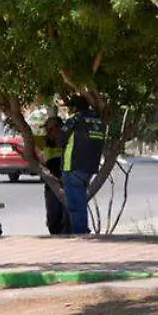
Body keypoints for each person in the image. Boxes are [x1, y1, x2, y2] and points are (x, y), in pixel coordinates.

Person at [60, 96, 104, 235]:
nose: (68, 110)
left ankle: (81, 234)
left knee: (75, 205)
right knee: (80, 202)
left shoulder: (75, 120)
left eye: (69, 107)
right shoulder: (98, 119)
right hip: (89, 168)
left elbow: (61, 139)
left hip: (72, 167)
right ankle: (81, 231)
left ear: (75, 108)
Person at [39, 114, 68, 235]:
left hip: (66, 183)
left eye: (50, 129)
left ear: (58, 128)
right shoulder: (45, 142)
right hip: (51, 185)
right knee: (53, 217)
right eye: (46, 129)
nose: (47, 132)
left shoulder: (66, 142)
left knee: (66, 216)